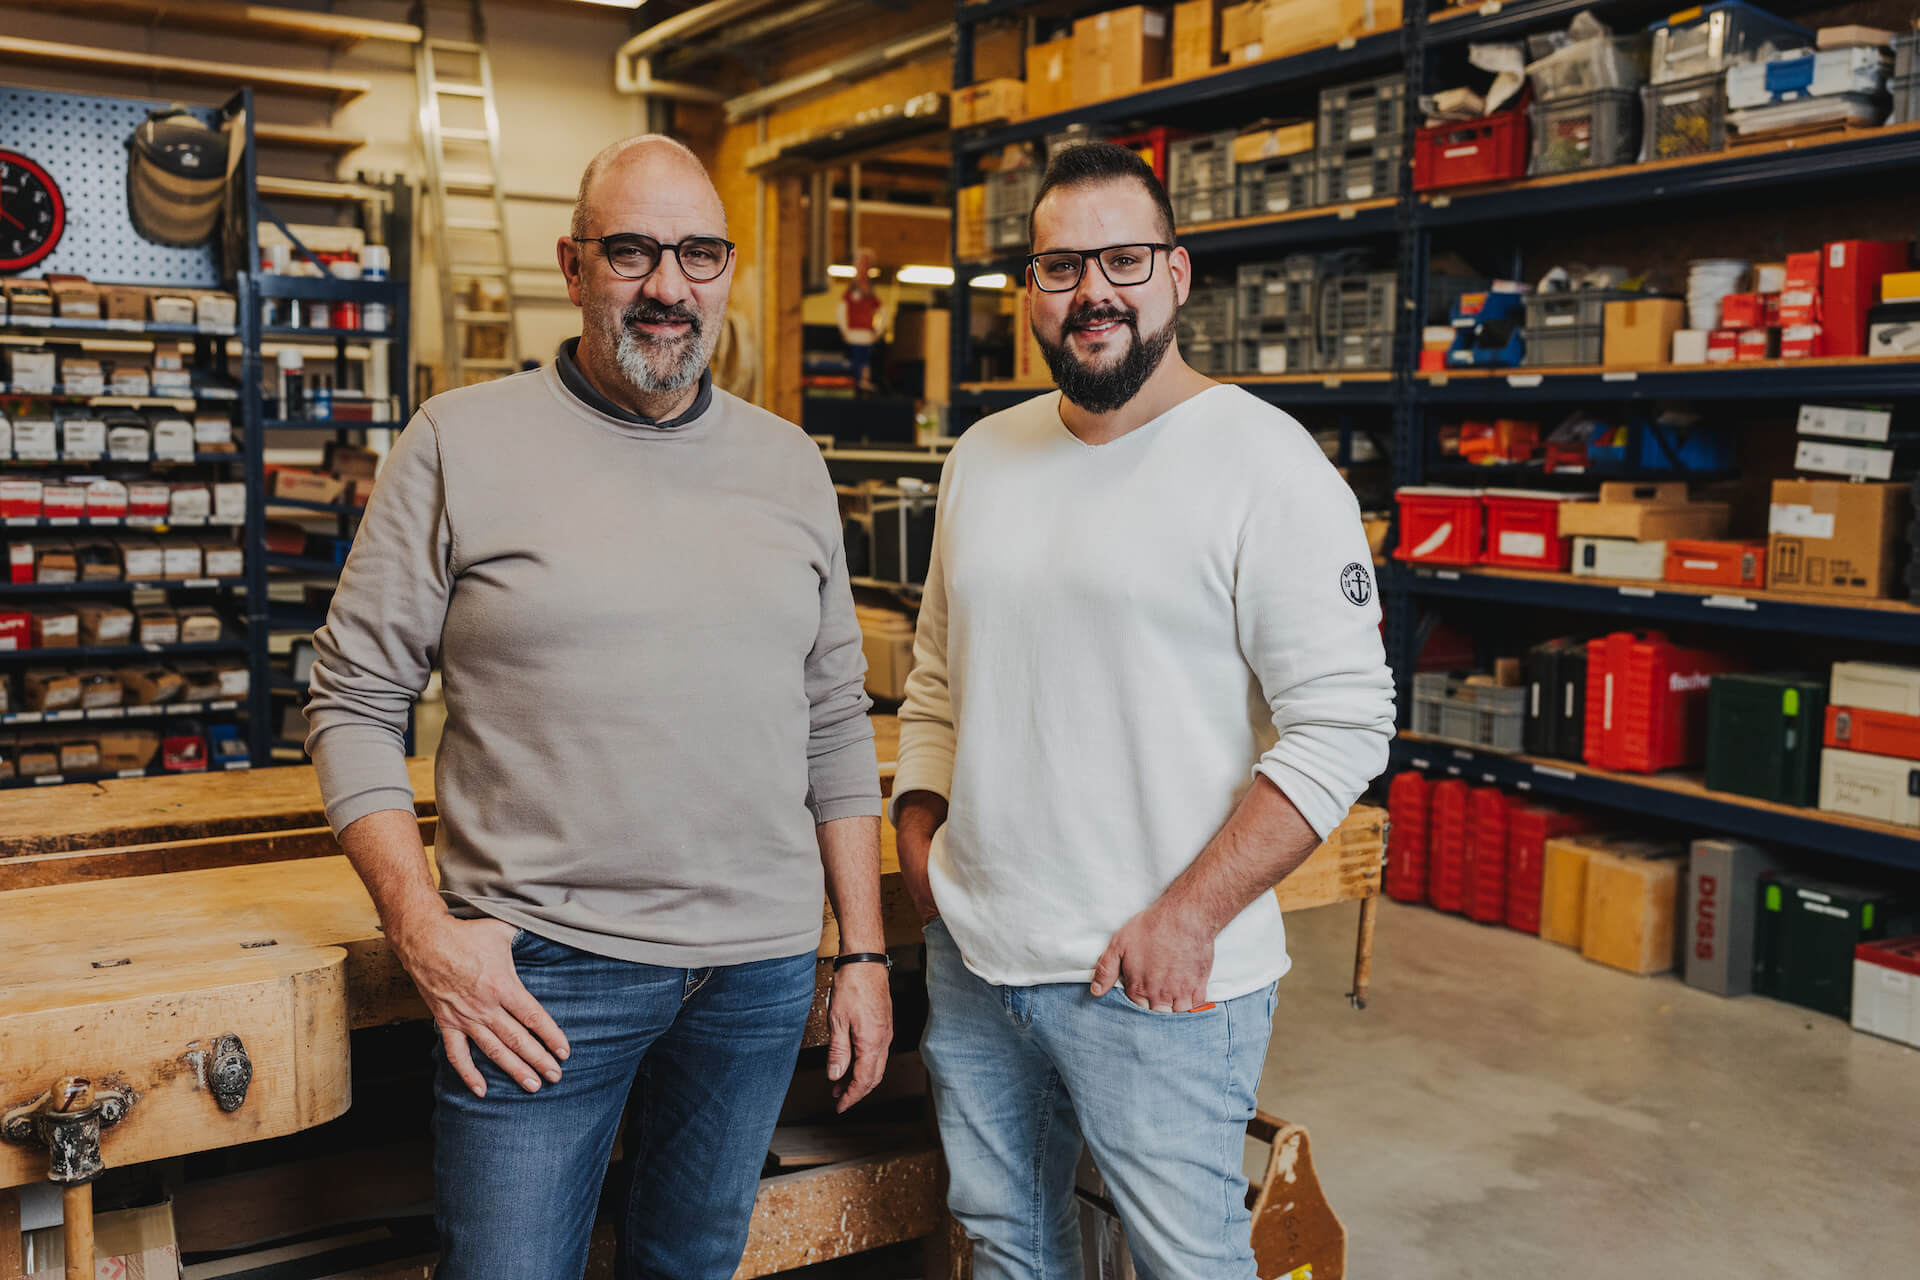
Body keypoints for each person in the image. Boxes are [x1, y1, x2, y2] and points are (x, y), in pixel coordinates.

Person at [304, 135, 893, 1280]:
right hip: (538, 972)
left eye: (698, 253)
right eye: (632, 251)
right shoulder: (456, 442)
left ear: (727, 271)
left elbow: (835, 718)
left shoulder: (791, 464)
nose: (668, 286)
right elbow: (352, 701)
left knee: (691, 1265)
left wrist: (860, 949)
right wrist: (422, 931)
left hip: (760, 970)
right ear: (574, 267)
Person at [892, 141, 1395, 1279]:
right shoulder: (983, 454)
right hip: (979, 956)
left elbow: (1348, 718)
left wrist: (1188, 915)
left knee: (1185, 1263)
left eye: (1122, 258)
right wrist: (920, 819)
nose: (1093, 292)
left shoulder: (1267, 463)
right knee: (1012, 1244)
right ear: (1029, 290)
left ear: (1178, 272)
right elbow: (935, 673)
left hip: (1156, 979)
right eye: (1061, 266)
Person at [836, 247, 887, 391]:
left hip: (866, 334)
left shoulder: (870, 292)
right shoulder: (851, 291)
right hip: (854, 334)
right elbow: (842, 309)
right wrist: (845, 330)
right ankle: (857, 381)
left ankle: (863, 381)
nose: (864, 268)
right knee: (857, 361)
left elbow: (881, 310)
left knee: (865, 361)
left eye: (867, 264)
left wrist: (878, 330)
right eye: (861, 263)